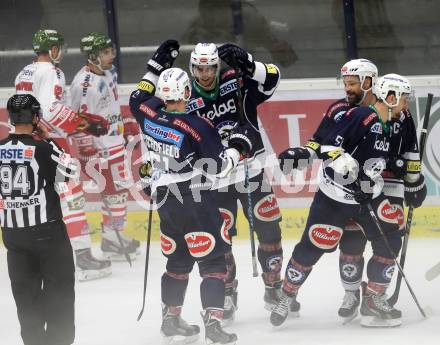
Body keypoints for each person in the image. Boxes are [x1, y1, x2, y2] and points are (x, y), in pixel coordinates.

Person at [271, 74, 426, 328]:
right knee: (311, 248)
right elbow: (328, 146)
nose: (406, 105)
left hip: (369, 195)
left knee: (390, 239)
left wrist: (413, 179)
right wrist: (345, 167)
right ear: (390, 97)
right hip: (334, 196)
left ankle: (374, 297)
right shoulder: (361, 117)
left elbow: (405, 153)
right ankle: (287, 295)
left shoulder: (396, 121)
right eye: (403, 99)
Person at [130, 40, 254, 344]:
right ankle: (213, 324)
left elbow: (137, 96)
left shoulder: (149, 115)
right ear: (187, 93)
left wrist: (154, 67)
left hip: (165, 202)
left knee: (177, 262)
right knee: (213, 262)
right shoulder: (197, 126)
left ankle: (170, 321)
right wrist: (240, 147)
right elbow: (219, 167)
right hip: (195, 199)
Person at [186, 42, 291, 323]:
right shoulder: (185, 96)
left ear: (217, 66)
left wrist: (249, 62)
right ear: (192, 67)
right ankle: (227, 291)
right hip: (214, 177)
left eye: (210, 67)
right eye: (199, 68)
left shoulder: (236, 81)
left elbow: (272, 80)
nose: (204, 73)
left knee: (270, 230)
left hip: (251, 168)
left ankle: (273, 287)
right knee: (222, 238)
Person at [14, 29, 111, 281]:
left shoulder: (23, 72)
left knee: (39, 199)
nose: (62, 52)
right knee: (72, 198)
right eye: (59, 47)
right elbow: (52, 109)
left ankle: (36, 257)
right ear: (53, 49)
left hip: (25, 143)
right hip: (50, 143)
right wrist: (84, 124)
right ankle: (82, 257)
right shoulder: (53, 72)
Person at [0, 94, 77, 345]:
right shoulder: (41, 149)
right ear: (35, 117)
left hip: (13, 237)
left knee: (26, 300)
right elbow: (69, 173)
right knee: (59, 296)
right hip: (48, 235)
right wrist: (49, 138)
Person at [70, 33, 141, 270]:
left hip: (115, 143)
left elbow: (110, 105)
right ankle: (111, 239)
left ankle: (113, 236)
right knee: (113, 193)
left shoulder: (109, 73)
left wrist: (125, 122)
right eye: (106, 52)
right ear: (93, 56)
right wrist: (86, 148)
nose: (113, 55)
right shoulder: (84, 85)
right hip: (100, 151)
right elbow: (79, 120)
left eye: (111, 50)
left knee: (118, 193)